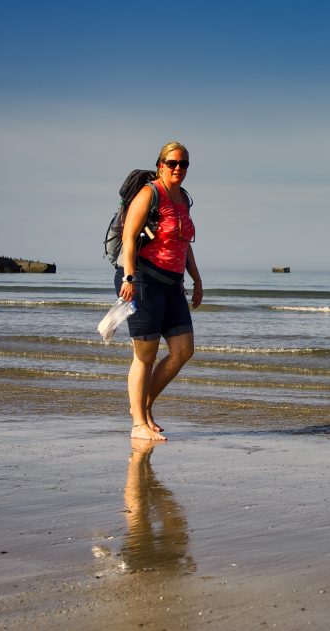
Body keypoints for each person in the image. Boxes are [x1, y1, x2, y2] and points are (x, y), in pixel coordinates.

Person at [116, 141, 203, 441]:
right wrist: (128, 278)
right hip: (143, 279)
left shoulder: (183, 199)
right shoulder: (150, 193)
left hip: (172, 283)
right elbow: (129, 239)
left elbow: (184, 244)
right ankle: (138, 423)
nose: (178, 168)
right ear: (160, 165)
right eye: (172, 163)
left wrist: (197, 279)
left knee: (183, 350)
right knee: (145, 354)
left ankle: (144, 406)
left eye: (184, 164)